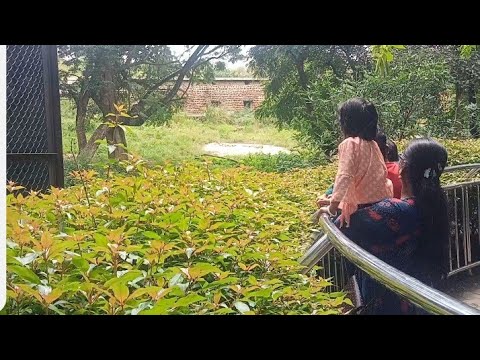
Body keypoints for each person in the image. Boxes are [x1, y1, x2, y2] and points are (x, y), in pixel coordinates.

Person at [339, 138, 449, 314]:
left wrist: (337, 201)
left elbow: (344, 225)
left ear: (403, 168)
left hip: (390, 304)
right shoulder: (435, 206)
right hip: (419, 300)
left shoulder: (397, 211)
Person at [315, 98, 393, 227]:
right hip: (380, 205)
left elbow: (344, 176)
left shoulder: (350, 144)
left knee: (329, 233)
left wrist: (332, 208)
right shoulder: (372, 144)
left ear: (347, 122)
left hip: (361, 210)